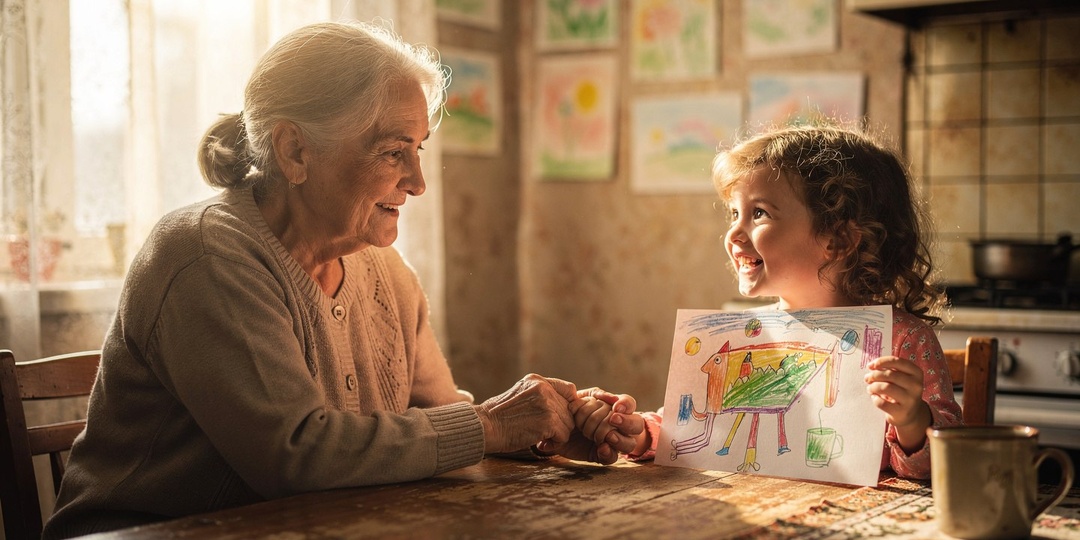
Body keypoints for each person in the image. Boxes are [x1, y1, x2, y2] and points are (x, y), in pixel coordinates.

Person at [43, 20, 639, 538]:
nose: (418, 182)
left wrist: (546, 435)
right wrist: (492, 424)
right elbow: (296, 454)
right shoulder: (207, 257)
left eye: (421, 148)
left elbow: (442, 427)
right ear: (295, 151)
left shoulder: (387, 272)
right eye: (392, 151)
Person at [585, 123, 962, 480]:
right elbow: (692, 428)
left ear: (839, 240)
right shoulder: (744, 334)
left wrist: (913, 420)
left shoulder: (902, 340)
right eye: (735, 213)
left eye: (759, 213)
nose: (733, 232)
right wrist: (641, 434)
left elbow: (941, 465)